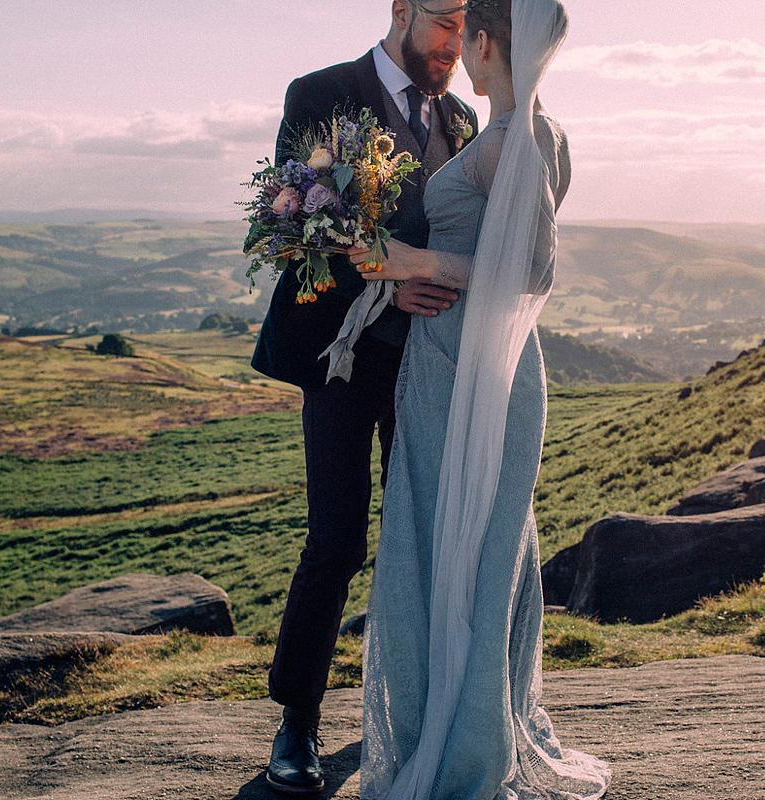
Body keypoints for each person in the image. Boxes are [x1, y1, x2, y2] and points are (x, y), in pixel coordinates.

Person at [349, 0, 612, 797]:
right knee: (467, 542)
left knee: (464, 544)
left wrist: (410, 262)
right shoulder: (538, 133)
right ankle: (460, 726)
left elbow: (526, 276)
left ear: (489, 43)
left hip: (472, 363)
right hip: (466, 361)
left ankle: (467, 748)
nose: (461, 48)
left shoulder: (514, 141)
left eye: (471, 34)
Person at [249, 1, 479, 793]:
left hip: (428, 364)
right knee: (337, 541)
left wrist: (435, 273)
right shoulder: (319, 93)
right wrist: (393, 274)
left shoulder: (461, 118)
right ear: (404, 10)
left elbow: (456, 238)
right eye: (446, 22)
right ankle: (297, 725)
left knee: (418, 537)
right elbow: (295, 231)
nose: (457, 43)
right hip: (343, 363)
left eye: (466, 28)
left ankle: (408, 717)